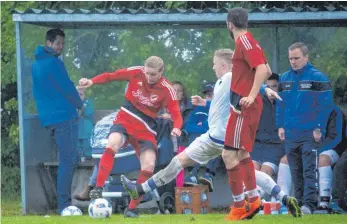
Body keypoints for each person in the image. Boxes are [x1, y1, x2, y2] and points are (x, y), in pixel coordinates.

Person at [121, 49, 301, 220]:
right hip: (225, 137)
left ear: (223, 65)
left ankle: (140, 189)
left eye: (215, 64)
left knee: (178, 163)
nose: (213, 67)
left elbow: (251, 81)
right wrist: (204, 103)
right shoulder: (225, 81)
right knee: (249, 172)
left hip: (215, 138)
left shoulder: (230, 76)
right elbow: (223, 107)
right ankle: (283, 197)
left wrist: (265, 89)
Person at [78, 56, 183, 218]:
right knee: (112, 143)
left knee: (149, 165)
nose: (149, 78)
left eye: (153, 74)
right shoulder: (136, 72)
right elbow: (111, 76)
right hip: (126, 117)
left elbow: (176, 112)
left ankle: (131, 209)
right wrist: (92, 81)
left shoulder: (167, 89)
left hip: (147, 127)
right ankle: (98, 189)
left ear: (162, 72)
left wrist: (176, 127)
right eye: (147, 73)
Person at [223, 7, 272, 220]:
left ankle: (239, 206)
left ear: (230, 24)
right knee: (242, 154)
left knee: (228, 154)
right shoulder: (249, 41)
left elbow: (262, 70)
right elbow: (268, 70)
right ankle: (253, 201)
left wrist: (251, 95)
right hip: (244, 105)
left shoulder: (243, 41)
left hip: (243, 106)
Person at [276, 42, 333, 214]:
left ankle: (309, 204)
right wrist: (280, 126)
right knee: (295, 170)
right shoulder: (284, 78)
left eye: (297, 58)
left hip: (310, 132)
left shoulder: (318, 78)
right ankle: (298, 203)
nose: (293, 61)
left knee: (309, 170)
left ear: (306, 57)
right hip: (290, 133)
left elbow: (325, 106)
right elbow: (280, 105)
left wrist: (319, 127)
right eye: (290, 58)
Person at [32, 28, 83, 214]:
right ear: (49, 43)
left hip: (49, 119)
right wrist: (80, 104)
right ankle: (64, 205)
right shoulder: (54, 62)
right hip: (64, 117)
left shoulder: (37, 63)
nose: (61, 47)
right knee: (67, 161)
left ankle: (64, 202)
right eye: (58, 43)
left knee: (67, 160)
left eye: (63, 43)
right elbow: (68, 87)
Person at [184, 81, 219, 192]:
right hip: (200, 142)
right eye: (208, 95)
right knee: (196, 138)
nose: (210, 97)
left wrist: (202, 125)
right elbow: (188, 127)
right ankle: (193, 174)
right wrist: (205, 127)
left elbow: (218, 129)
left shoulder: (221, 110)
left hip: (214, 143)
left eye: (212, 94)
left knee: (217, 139)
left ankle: (208, 176)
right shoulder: (198, 109)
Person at [251, 73, 285, 178]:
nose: (271, 90)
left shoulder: (285, 104)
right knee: (251, 172)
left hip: (275, 147)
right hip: (257, 146)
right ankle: (250, 195)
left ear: (279, 87)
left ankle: (260, 194)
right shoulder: (256, 103)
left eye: (274, 86)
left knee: (265, 172)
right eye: (268, 87)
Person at [315, 105, 347, 213]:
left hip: (333, 148)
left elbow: (337, 138)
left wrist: (317, 150)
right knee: (288, 159)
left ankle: (324, 203)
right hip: (311, 149)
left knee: (323, 159)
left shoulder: (335, 111)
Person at [76, 87, 95, 161]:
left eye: (81, 94)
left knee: (87, 145)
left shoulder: (88, 103)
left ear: (85, 95)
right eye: (77, 94)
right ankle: (79, 158)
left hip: (86, 129)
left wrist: (81, 107)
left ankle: (88, 157)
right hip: (77, 130)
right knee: (77, 145)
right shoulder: (72, 104)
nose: (79, 96)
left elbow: (88, 113)